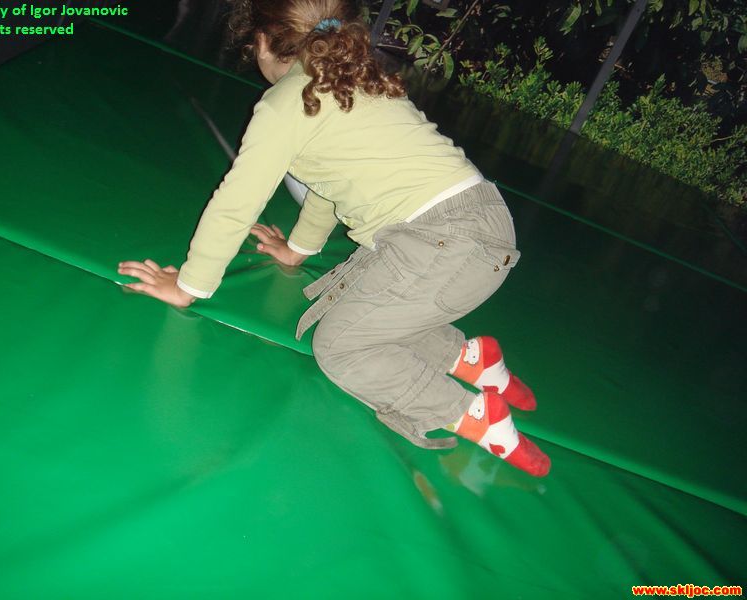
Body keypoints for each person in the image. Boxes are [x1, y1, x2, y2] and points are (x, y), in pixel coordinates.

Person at [118, 0, 550, 477]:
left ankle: (471, 414)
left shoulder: (283, 104)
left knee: (342, 347)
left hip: (440, 243)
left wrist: (189, 286)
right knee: (370, 307)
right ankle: (473, 360)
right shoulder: (358, 76)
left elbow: (237, 201)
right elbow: (330, 181)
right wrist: (298, 249)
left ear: (261, 42)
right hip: (483, 222)